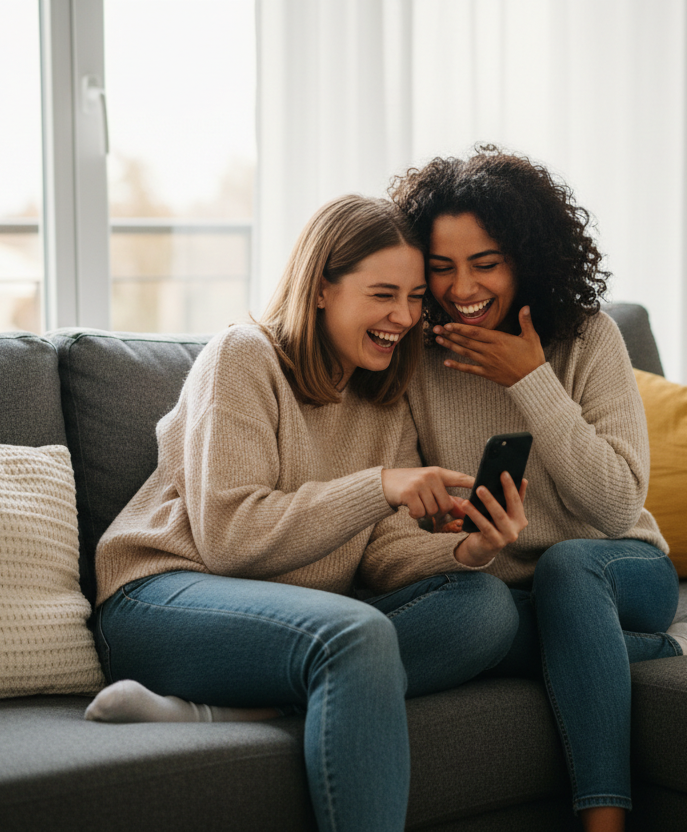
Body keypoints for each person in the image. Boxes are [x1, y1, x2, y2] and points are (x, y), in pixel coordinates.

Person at [83, 194, 529, 832]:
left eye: (413, 299)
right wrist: (378, 485)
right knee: (357, 636)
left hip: (291, 625)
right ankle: (301, 688)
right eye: (382, 295)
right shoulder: (243, 356)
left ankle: (246, 709)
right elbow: (229, 537)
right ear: (322, 288)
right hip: (162, 599)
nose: (402, 317)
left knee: (486, 608)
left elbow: (378, 554)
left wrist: (470, 550)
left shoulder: (381, 397)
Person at [389, 147, 687, 832]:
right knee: (480, 616)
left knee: (568, 565)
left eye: (485, 263)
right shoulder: (414, 355)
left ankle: (604, 821)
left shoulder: (588, 337)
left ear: (527, 256)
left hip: (616, 568)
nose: (462, 287)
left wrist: (530, 380)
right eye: (441, 266)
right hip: (504, 585)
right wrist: (456, 530)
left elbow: (614, 504)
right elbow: (404, 513)